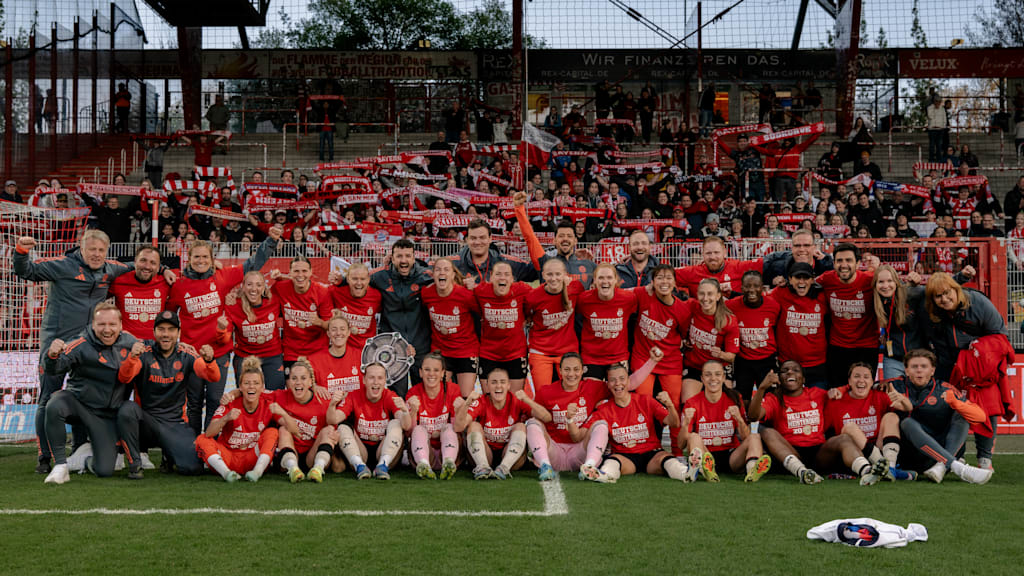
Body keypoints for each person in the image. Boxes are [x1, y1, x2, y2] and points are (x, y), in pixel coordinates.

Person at [14, 230, 140, 474]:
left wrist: (167, 269)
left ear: (107, 252)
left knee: (83, 396)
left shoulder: (110, 268)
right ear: (81, 248)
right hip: (57, 346)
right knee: (48, 398)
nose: (96, 254)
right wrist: (21, 252)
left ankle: (81, 447)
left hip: (87, 347)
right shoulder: (62, 265)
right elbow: (25, 271)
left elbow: (136, 266)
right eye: (91, 249)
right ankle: (44, 456)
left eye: (101, 250)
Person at [167, 227, 281, 435]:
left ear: (212, 259)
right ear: (189, 258)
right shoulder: (179, 285)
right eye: (196, 257)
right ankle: (194, 446)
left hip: (219, 352)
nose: (201, 261)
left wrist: (270, 242)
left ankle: (209, 443)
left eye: (205, 257)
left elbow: (252, 264)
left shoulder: (223, 277)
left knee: (214, 401)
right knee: (193, 403)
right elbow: (168, 316)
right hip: (191, 354)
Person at [39, 304, 139, 484]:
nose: (107, 329)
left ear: (121, 325)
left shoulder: (130, 343)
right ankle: (60, 465)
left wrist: (180, 347)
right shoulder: (80, 343)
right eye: (101, 324)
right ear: (92, 325)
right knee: (54, 404)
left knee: (105, 471)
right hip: (79, 405)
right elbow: (54, 368)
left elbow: (153, 352)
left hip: (106, 416)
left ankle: (84, 458)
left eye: (112, 324)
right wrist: (51, 355)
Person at [748, 361, 889, 485]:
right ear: (779, 378)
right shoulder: (774, 398)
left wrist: (875, 386)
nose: (790, 372)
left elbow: (850, 388)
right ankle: (802, 472)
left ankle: (868, 471)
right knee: (767, 432)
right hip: (790, 450)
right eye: (785, 370)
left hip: (819, 453)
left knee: (844, 438)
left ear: (803, 378)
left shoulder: (818, 394)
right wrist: (761, 388)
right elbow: (753, 416)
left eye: (795, 370)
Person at [116, 310, 218, 477]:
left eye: (171, 330)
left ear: (178, 333)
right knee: (127, 409)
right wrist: (132, 357)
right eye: (161, 329)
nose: (166, 334)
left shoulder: (187, 354)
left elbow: (212, 376)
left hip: (175, 423)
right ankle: (135, 464)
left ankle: (168, 455)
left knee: (193, 468)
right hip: (147, 422)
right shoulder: (144, 352)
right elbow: (124, 377)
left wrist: (209, 361)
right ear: (154, 331)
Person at [531, 350, 662, 481]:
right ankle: (544, 465)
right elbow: (535, 417)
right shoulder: (545, 391)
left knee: (601, 424)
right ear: (560, 371)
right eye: (567, 369)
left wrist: (652, 361)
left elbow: (628, 384)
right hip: (554, 451)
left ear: (583, 371)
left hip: (580, 452)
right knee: (532, 423)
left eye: (576, 369)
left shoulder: (592, 387)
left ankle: (589, 467)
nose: (571, 374)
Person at [924, 272, 1006, 469]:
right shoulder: (931, 312)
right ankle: (955, 456)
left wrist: (978, 351)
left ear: (956, 289)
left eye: (947, 293)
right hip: (948, 366)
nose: (944, 299)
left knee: (987, 409)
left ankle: (985, 459)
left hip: (980, 365)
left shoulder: (978, 303)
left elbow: (999, 335)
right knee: (950, 408)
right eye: (938, 296)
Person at [889, 350, 992, 484]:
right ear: (906, 370)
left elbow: (980, 417)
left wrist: (955, 403)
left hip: (943, 449)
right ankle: (956, 467)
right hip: (912, 455)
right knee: (907, 423)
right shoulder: (893, 386)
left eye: (924, 367)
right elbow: (866, 387)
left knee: (962, 414)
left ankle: (941, 467)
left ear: (932, 371)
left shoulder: (945, 389)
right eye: (914, 367)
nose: (919, 370)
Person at [194, 356, 295, 483]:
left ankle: (257, 472)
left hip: (252, 458)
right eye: (247, 383)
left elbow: (294, 430)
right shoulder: (230, 402)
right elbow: (209, 433)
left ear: (262, 387)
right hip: (228, 457)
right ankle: (226, 474)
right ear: (240, 387)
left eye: (256, 383)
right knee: (202, 439)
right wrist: (225, 418)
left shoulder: (268, 402)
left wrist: (283, 414)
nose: (251, 387)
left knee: (272, 432)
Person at [573, 384, 690, 483]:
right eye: (613, 380)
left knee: (668, 460)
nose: (618, 383)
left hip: (651, 454)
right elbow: (580, 434)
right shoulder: (603, 409)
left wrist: (669, 405)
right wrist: (570, 420)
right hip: (625, 456)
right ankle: (604, 475)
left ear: (628, 382)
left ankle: (686, 473)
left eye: (621, 378)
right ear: (608, 384)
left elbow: (674, 423)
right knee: (612, 462)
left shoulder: (645, 400)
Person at [679, 360, 772, 482]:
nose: (713, 378)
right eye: (708, 375)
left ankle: (752, 470)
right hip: (707, 453)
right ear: (702, 378)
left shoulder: (734, 398)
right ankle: (705, 470)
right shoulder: (692, 403)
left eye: (717, 374)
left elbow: (746, 437)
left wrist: (739, 418)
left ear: (723, 378)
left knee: (755, 437)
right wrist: (685, 424)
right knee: (693, 437)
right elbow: (681, 445)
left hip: (731, 456)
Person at [455, 367, 552, 479]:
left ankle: (504, 468)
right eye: (494, 382)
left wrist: (527, 400)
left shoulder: (517, 400)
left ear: (508, 385)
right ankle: (483, 467)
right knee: (473, 425)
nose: (498, 386)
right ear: (487, 385)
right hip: (486, 454)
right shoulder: (481, 401)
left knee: (521, 426)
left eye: (502, 382)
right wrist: (467, 404)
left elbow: (547, 417)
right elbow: (458, 427)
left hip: (511, 456)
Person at [824, 362, 913, 481]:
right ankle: (884, 467)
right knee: (849, 427)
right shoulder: (836, 400)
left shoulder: (879, 396)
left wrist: (901, 398)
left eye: (866, 377)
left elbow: (908, 408)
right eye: (856, 376)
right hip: (854, 454)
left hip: (879, 448)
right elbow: (822, 430)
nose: (861, 380)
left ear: (872, 382)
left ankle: (889, 467)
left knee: (891, 416)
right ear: (849, 381)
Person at [369, 238, 433, 395]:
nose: (403, 260)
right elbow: (354, 279)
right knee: (397, 395)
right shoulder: (380, 276)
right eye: (399, 256)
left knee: (424, 392)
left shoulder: (425, 276)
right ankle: (397, 420)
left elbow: (450, 278)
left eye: (407, 256)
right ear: (392, 258)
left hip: (420, 345)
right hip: (393, 346)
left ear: (413, 257)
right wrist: (338, 280)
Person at [328, 363, 411, 480]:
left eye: (380, 378)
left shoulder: (390, 396)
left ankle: (383, 465)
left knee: (396, 423)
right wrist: (332, 405)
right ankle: (359, 466)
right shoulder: (354, 395)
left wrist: (405, 411)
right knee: (343, 427)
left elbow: (406, 426)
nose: (376, 382)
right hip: (361, 451)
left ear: (385, 381)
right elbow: (333, 419)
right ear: (364, 380)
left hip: (383, 449)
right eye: (371, 377)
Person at [816, 243, 879, 388]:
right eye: (839, 261)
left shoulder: (871, 280)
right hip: (837, 347)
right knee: (837, 392)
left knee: (863, 392)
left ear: (857, 264)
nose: (844, 265)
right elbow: (802, 286)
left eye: (849, 260)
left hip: (866, 347)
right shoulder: (826, 279)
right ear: (834, 263)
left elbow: (895, 287)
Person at [420, 257, 480, 397]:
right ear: (433, 274)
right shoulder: (427, 293)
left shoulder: (465, 295)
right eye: (438, 270)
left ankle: (463, 419)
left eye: (446, 270)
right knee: (439, 394)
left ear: (453, 275)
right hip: (441, 351)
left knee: (465, 396)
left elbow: (482, 311)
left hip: (466, 350)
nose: (442, 273)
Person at [217, 270, 285, 391]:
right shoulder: (233, 305)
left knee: (276, 395)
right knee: (246, 395)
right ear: (243, 287)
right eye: (249, 284)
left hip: (272, 355)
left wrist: (281, 277)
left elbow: (292, 285)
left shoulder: (273, 301)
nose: (254, 289)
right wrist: (222, 329)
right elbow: (225, 337)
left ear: (264, 287)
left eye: (258, 285)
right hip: (245, 356)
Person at [524, 258, 585, 392]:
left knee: (572, 393)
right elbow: (527, 316)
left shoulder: (575, 288)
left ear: (565, 275)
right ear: (543, 275)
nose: (554, 278)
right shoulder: (533, 297)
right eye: (549, 274)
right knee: (542, 394)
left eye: (558, 274)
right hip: (541, 350)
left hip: (567, 350)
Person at [513, 191, 596, 288]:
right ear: (554, 241)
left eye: (569, 236)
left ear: (575, 241)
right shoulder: (545, 262)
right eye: (561, 236)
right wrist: (519, 209)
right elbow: (530, 238)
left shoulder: (589, 265)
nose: (565, 239)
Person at [767, 262, 829, 390]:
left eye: (806, 278)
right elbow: (758, 300)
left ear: (812, 279)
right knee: (788, 406)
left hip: (817, 364)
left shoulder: (822, 295)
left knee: (817, 405)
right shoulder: (780, 293)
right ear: (789, 279)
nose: (802, 282)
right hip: (789, 364)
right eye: (797, 277)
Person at [473, 260, 531, 393]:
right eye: (498, 274)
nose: (502, 278)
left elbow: (540, 298)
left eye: (506, 274)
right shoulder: (480, 291)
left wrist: (528, 318)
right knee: (489, 398)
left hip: (515, 353)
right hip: (489, 352)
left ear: (512, 279)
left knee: (515, 399)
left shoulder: (522, 290)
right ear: (491, 277)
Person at [270, 255, 331, 375]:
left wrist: (319, 322)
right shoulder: (280, 287)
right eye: (296, 271)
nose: (300, 275)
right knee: (293, 388)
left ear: (311, 272)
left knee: (318, 389)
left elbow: (330, 325)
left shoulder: (322, 292)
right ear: (290, 273)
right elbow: (262, 300)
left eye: (304, 271)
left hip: (317, 350)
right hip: (292, 351)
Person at [682, 278, 739, 405]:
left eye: (710, 294)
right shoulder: (692, 306)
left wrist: (720, 354)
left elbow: (731, 357)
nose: (705, 298)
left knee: (725, 405)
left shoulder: (728, 321)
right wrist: (683, 338)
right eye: (702, 293)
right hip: (694, 366)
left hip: (718, 369)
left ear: (718, 296)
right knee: (688, 404)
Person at [405, 353, 463, 480]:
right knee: (419, 429)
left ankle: (449, 463)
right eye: (427, 370)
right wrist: (413, 412)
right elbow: (409, 432)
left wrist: (459, 411)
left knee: (448, 427)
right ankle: (423, 465)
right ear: (420, 373)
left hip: (448, 448)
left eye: (436, 370)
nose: (431, 374)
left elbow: (458, 428)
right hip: (424, 450)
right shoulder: (413, 393)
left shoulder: (453, 389)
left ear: (443, 373)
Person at [576, 263, 638, 380]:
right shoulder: (584, 299)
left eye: (609, 278)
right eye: (601, 278)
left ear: (616, 280)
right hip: (592, 357)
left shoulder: (628, 299)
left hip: (618, 357)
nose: (605, 281)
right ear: (594, 281)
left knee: (618, 392)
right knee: (591, 394)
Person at [726, 271, 781, 399]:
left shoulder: (774, 306)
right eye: (747, 286)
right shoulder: (731, 306)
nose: (752, 290)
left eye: (756, 286)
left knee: (770, 399)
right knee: (742, 399)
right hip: (743, 361)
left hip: (767, 360)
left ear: (762, 287)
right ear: (741, 288)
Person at [109, 247, 170, 340]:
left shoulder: (166, 282)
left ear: (158, 267)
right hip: (126, 344)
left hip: (155, 346)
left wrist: (166, 270)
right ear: (134, 262)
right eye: (143, 260)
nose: (147, 266)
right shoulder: (118, 281)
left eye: (153, 263)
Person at [675, 236, 762, 297]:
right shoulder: (692, 272)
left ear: (724, 253)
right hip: (704, 319)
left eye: (716, 252)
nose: (712, 257)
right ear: (703, 254)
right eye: (708, 253)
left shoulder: (738, 267)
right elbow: (664, 274)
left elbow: (768, 263)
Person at [454, 219, 536, 283]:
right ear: (467, 240)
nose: (477, 242)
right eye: (473, 238)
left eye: (482, 238)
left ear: (490, 239)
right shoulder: (452, 264)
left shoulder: (506, 262)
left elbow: (540, 267)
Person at [329, 262, 382, 353]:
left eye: (362, 279)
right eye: (354, 279)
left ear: (368, 280)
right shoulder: (335, 292)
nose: (359, 283)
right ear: (348, 279)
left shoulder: (377, 296)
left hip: (366, 351)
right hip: (343, 350)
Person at [307, 313, 363, 399]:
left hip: (356, 408)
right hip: (327, 409)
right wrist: (313, 387)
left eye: (342, 329)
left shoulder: (360, 356)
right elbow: (303, 383)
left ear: (348, 332)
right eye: (334, 329)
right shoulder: (314, 360)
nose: (338, 333)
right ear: (328, 333)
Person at [761, 229, 834, 288]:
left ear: (814, 247)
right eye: (797, 246)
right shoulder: (778, 267)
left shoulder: (826, 268)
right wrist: (772, 282)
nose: (802, 249)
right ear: (792, 248)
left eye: (806, 245)